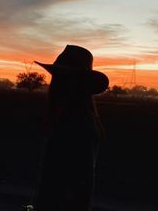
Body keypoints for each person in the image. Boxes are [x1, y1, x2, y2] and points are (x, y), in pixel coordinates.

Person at [34, 45, 109, 211]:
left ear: (77, 83)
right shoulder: (73, 117)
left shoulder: (77, 123)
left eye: (63, 77)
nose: (55, 83)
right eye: (58, 76)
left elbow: (79, 188)